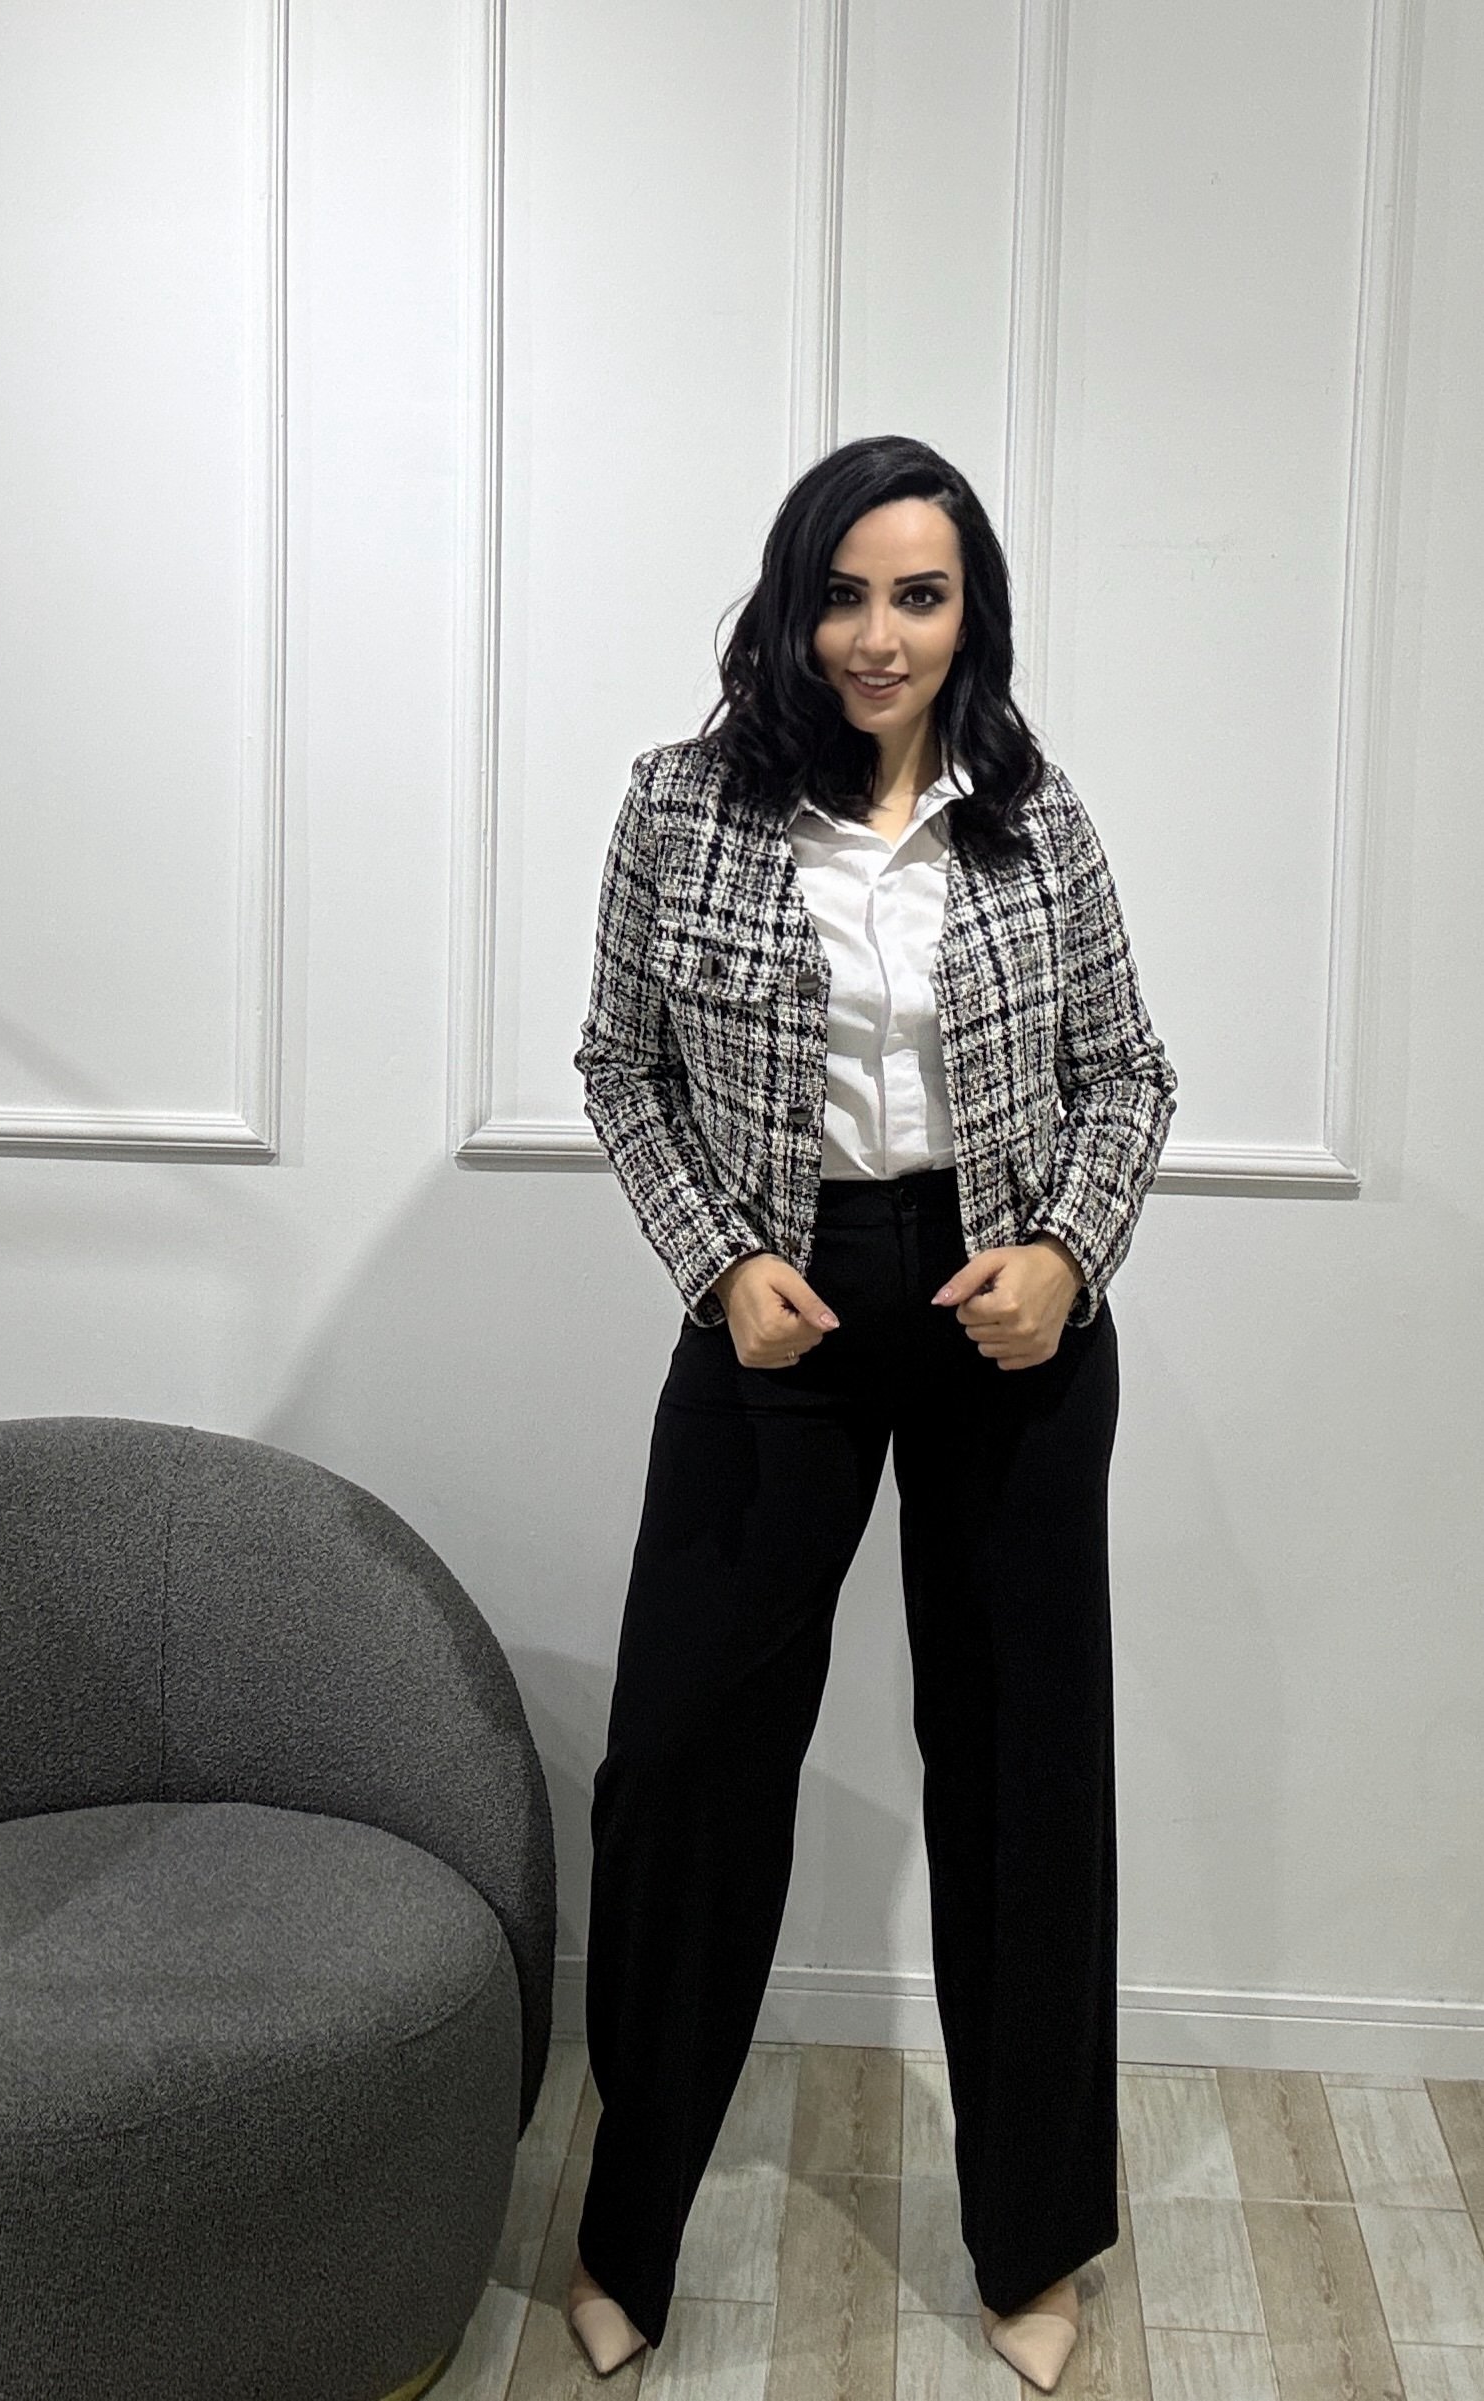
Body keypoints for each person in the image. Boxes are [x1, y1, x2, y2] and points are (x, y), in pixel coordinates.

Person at [565, 433, 1178, 2392]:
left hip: (1007, 1313)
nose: (878, 634)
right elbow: (619, 1064)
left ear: (969, 612)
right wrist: (716, 1261)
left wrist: (1067, 1251)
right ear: (791, 603)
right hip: (782, 1306)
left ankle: (1034, 2232)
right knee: (684, 1759)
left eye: (920, 594)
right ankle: (627, 2226)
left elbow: (1130, 1073)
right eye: (844, 593)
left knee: (1019, 1770)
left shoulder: (1032, 818)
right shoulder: (683, 805)